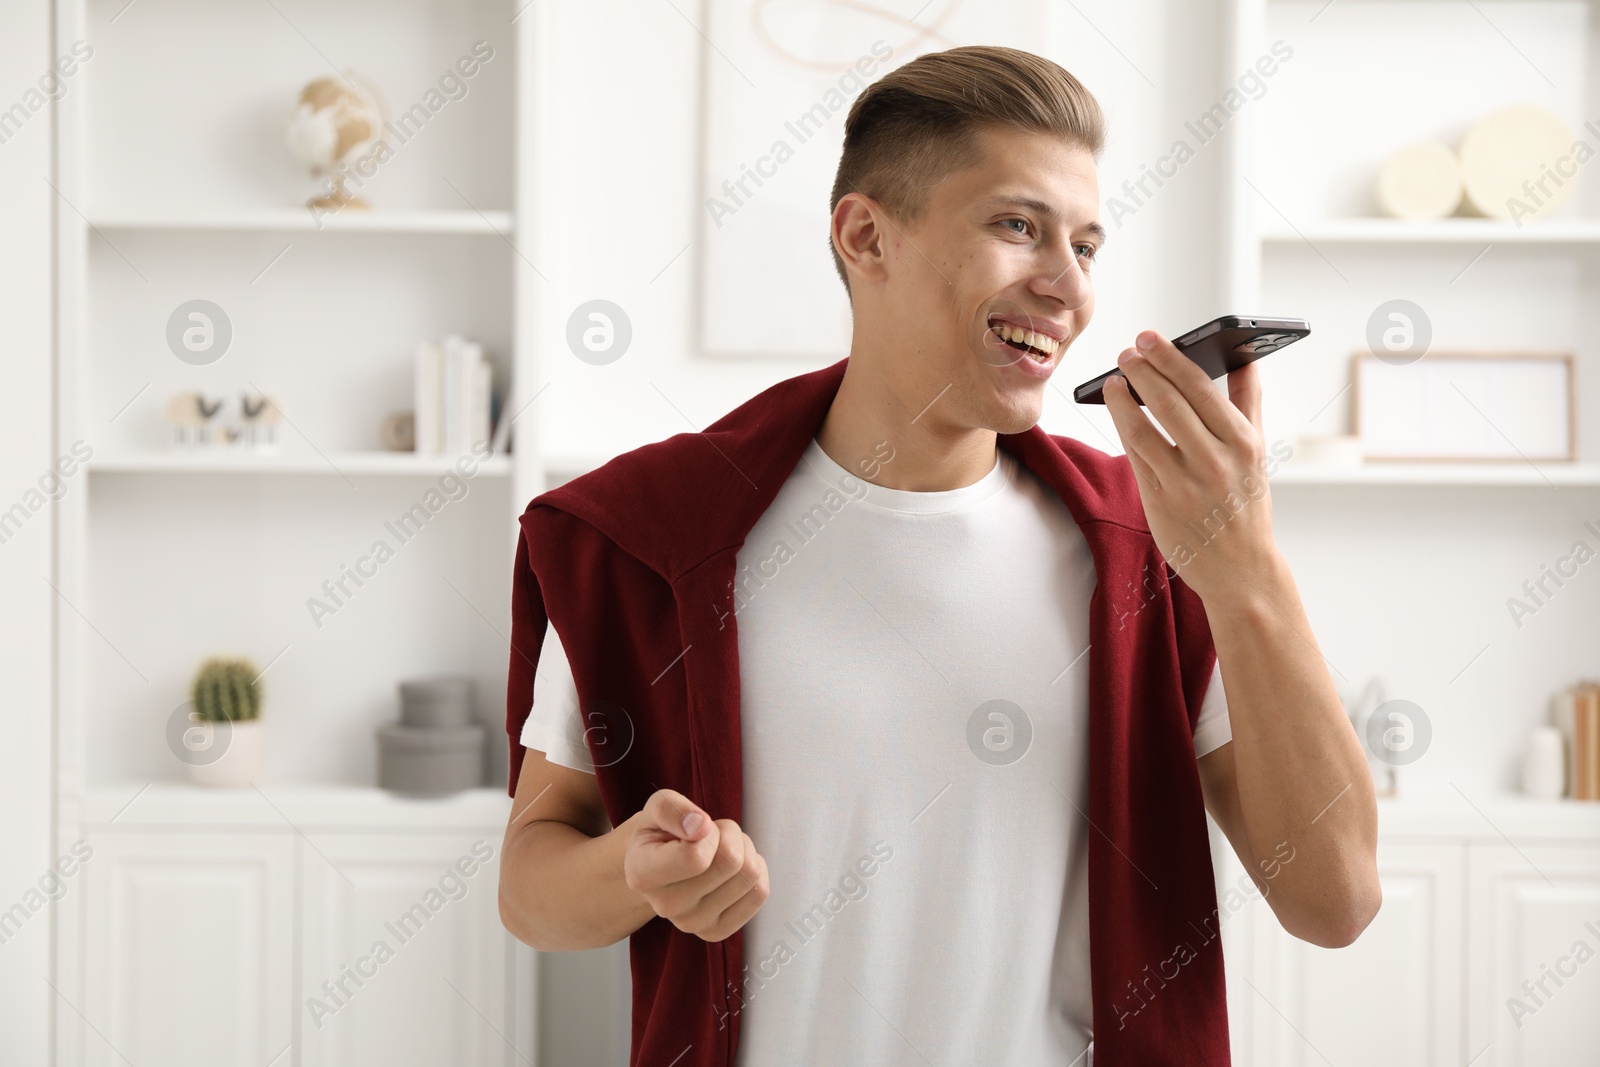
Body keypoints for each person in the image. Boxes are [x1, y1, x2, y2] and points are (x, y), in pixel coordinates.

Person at [498, 44, 1380, 1067]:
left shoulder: (1153, 557)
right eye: (1017, 226)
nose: (1066, 286)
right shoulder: (647, 539)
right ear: (867, 236)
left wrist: (1249, 570)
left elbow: (1336, 897)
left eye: (1086, 245)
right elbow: (531, 882)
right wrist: (634, 874)